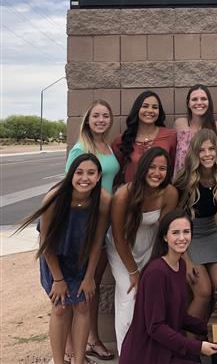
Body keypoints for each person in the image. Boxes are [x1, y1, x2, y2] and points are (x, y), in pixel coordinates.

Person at [17, 154, 111, 364]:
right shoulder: (55, 198)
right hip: (55, 259)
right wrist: (58, 280)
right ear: (71, 175)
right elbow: (46, 244)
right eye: (79, 172)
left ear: (98, 177)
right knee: (60, 307)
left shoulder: (103, 201)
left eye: (91, 173)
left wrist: (90, 277)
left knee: (83, 305)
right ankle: (59, 361)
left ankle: (79, 360)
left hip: (81, 259)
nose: (84, 178)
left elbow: (97, 243)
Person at [119, 208, 217, 364]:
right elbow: (156, 327)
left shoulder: (180, 266)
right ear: (165, 237)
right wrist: (197, 346)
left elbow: (179, 316)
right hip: (147, 354)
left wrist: (213, 328)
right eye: (175, 233)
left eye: (186, 232)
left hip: (166, 348)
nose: (182, 238)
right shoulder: (156, 273)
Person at [106, 147, 178, 353]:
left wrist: (154, 266)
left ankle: (149, 350)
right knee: (129, 296)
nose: (157, 173)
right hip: (122, 249)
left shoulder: (169, 193)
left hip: (150, 246)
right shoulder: (123, 194)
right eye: (152, 167)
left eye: (162, 168)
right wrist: (133, 273)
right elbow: (119, 237)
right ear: (143, 168)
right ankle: (126, 354)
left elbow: (163, 233)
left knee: (150, 296)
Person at [65, 100, 120, 361]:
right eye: (96, 116)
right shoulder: (80, 148)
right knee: (78, 285)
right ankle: (72, 345)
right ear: (87, 119)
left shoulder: (106, 146)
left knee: (92, 284)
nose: (101, 120)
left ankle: (89, 338)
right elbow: (70, 187)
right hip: (86, 222)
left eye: (105, 116)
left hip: (106, 220)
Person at [173, 129, 217, 319]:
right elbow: (175, 224)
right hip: (190, 239)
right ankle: (187, 343)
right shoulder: (184, 179)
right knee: (203, 293)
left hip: (215, 234)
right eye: (202, 150)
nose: (207, 154)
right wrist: (185, 260)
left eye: (211, 149)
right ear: (194, 153)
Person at [112, 90, 176, 185]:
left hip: (160, 195)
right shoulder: (122, 140)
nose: (150, 110)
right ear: (137, 109)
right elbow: (116, 173)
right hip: (131, 196)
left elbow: (174, 168)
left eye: (155, 107)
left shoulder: (171, 136)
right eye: (145, 106)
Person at [173, 84, 217, 176]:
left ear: (209, 102)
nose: (199, 102)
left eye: (203, 99)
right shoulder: (180, 124)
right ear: (188, 103)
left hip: (208, 183)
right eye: (194, 99)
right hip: (181, 183)